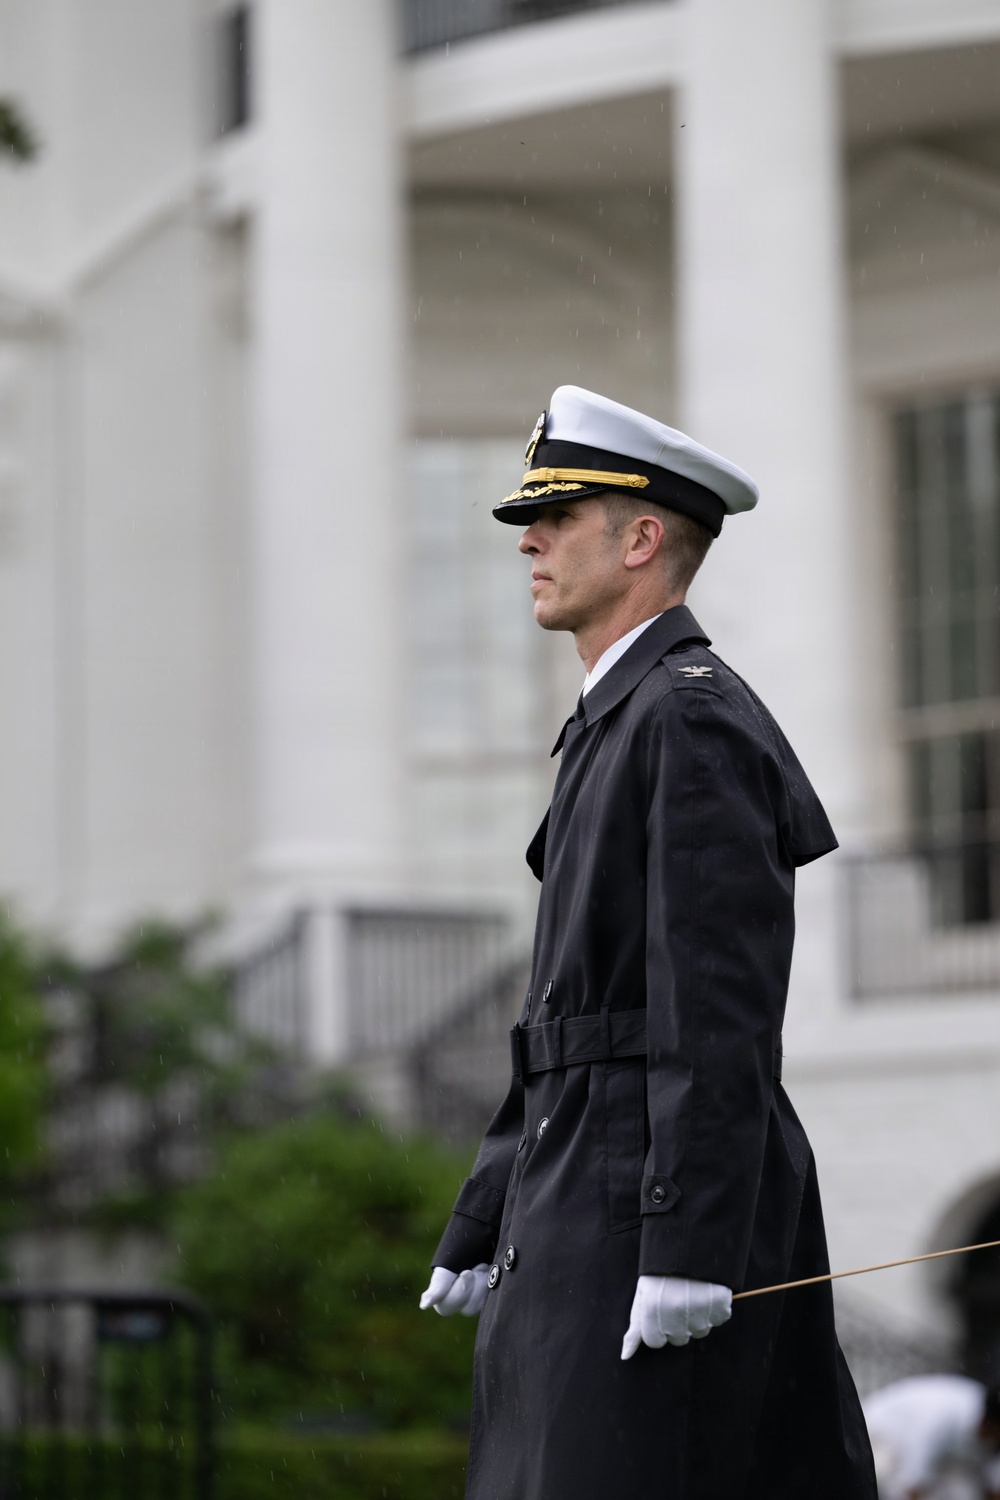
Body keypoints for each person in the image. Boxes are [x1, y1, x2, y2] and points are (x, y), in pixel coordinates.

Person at [419, 385, 877, 1499]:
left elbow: (713, 1013)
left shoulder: (686, 716)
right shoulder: (617, 722)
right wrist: (483, 1209)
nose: (529, 537)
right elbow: (556, 1014)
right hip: (580, 1186)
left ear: (639, 539)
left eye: (560, 514)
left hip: (637, 1198)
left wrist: (687, 1244)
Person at [864, 1373, 1000, 1499]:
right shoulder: (947, 1414)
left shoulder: (990, 1428)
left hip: (936, 1456)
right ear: (988, 1422)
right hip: (879, 1433)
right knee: (879, 1472)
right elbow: (913, 1477)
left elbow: (994, 1485)